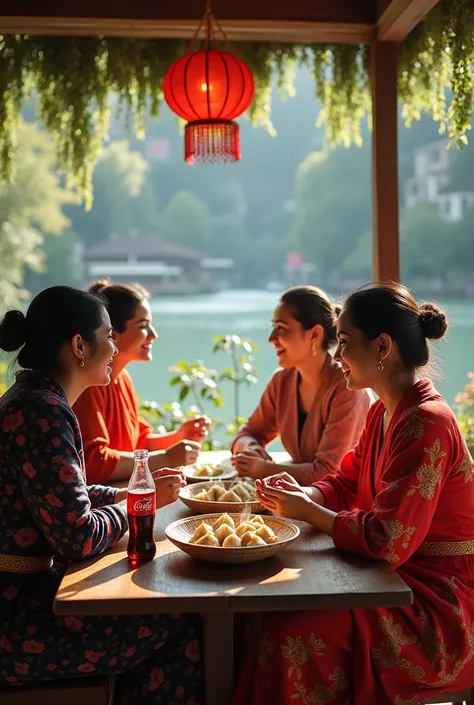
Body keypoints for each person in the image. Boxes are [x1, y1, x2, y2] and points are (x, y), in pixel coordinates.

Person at [235, 282, 474, 705]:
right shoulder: (384, 410)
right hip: (389, 581)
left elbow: (389, 541)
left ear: (383, 347)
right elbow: (346, 481)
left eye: (344, 343)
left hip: (436, 605)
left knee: (287, 636)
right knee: (257, 614)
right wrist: (302, 493)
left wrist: (308, 510)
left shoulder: (427, 422)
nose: (337, 355)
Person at [0, 286, 202, 704]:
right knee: (182, 614)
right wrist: (140, 502)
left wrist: (139, 489)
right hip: (16, 616)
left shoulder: (35, 399)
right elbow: (78, 535)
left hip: (27, 597)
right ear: (79, 346)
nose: (113, 347)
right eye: (108, 335)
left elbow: (69, 493)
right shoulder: (43, 412)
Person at [74, 280, 210, 484]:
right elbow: (93, 462)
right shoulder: (90, 385)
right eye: (143, 326)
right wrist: (166, 459)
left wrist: (179, 436)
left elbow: (137, 443)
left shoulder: (123, 378)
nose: (153, 335)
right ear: (113, 334)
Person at [231, 286, 371, 483]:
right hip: (301, 499)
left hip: (341, 507)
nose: (271, 339)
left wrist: (262, 469)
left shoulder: (347, 388)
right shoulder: (282, 381)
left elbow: (328, 473)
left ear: (314, 334)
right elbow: (248, 434)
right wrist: (250, 448)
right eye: (273, 327)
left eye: (281, 328)